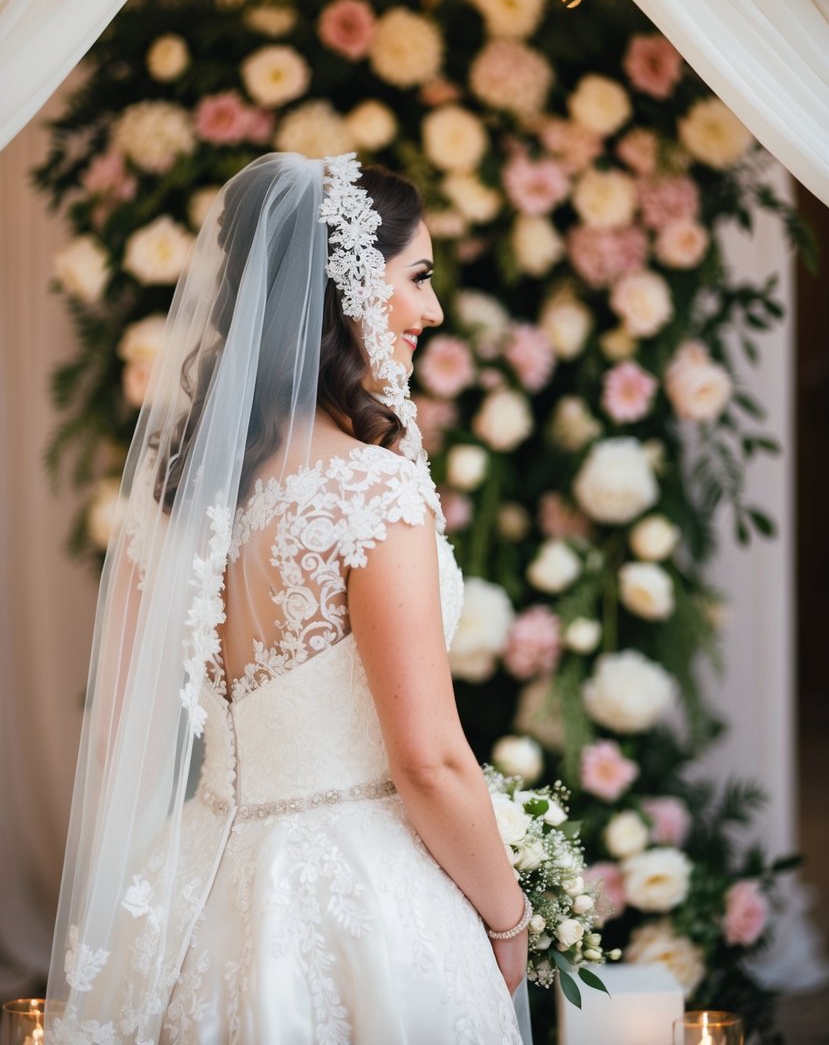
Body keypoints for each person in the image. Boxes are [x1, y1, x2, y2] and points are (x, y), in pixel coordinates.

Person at [46, 153, 532, 1044]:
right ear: (348, 286)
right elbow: (427, 760)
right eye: (418, 278)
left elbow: (123, 736)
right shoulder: (371, 494)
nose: (432, 309)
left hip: (198, 894)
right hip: (359, 905)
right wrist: (507, 920)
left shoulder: (172, 505)